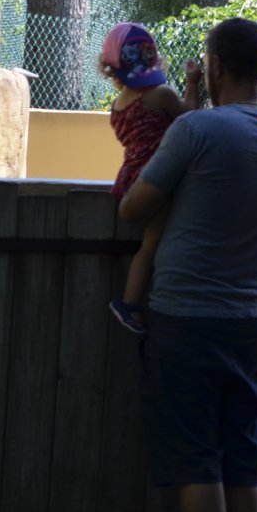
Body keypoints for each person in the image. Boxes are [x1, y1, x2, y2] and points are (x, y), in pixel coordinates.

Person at [118, 17, 257, 512]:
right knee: (242, 466)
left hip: (184, 319)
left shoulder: (196, 134)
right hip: (252, 321)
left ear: (216, 65)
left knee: (198, 462)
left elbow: (134, 208)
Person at [99, 22, 203, 334]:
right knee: (152, 244)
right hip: (155, 179)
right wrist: (193, 82)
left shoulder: (117, 106)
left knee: (152, 242)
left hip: (131, 179)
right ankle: (129, 302)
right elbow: (190, 118)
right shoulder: (161, 96)